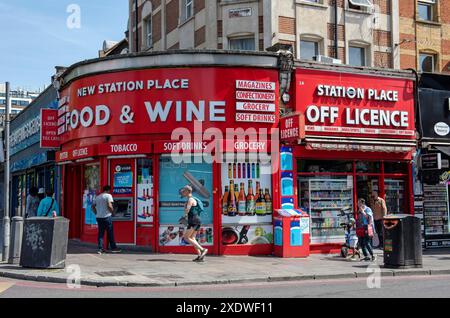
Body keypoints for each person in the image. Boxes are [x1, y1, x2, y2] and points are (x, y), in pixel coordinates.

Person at [180, 185, 208, 262]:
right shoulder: (191, 199)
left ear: (188, 191)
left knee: (186, 237)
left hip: (193, 220)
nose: (183, 192)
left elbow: (187, 210)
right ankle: (200, 256)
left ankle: (203, 250)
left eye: (184, 191)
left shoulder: (190, 200)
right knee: (192, 238)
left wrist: (184, 215)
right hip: (196, 220)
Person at [92, 185, 121, 254]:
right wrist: (113, 212)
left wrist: (96, 213)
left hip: (99, 217)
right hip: (107, 217)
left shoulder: (98, 197)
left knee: (101, 234)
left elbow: (93, 206)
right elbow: (109, 205)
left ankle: (100, 249)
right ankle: (113, 248)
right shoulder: (108, 196)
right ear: (108, 190)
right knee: (110, 232)